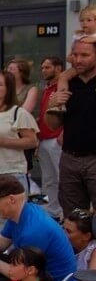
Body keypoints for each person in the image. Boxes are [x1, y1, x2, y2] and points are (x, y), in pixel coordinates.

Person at [0, 70, 38, 236]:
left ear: (8, 88)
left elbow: (32, 141)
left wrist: (5, 142)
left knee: (17, 221)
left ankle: (19, 257)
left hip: (11, 174)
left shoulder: (18, 112)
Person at [49, 35, 96, 214]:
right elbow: (53, 125)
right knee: (73, 216)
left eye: (85, 55)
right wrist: (52, 105)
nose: (78, 60)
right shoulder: (67, 83)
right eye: (75, 55)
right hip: (70, 158)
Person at [36, 56, 66, 221]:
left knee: (61, 176)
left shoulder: (62, 88)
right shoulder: (47, 89)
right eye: (42, 68)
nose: (44, 71)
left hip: (56, 138)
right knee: (48, 179)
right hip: (44, 137)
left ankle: (64, 211)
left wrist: (64, 132)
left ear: (58, 68)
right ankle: (51, 210)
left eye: (47, 67)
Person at [61, 208, 96, 281]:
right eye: (63, 228)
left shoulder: (93, 249)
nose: (63, 234)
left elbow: (91, 280)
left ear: (86, 236)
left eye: (69, 231)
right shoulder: (63, 246)